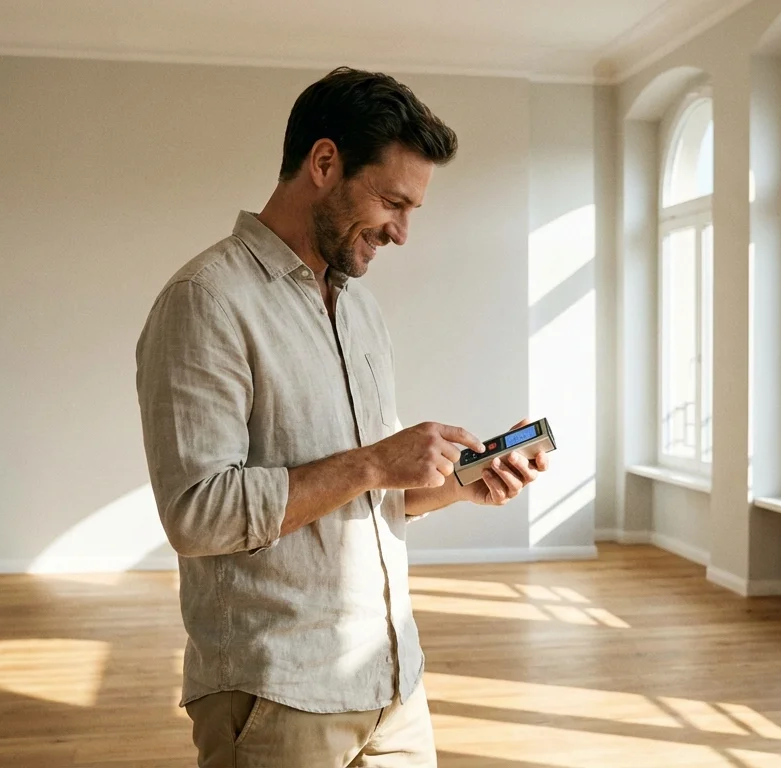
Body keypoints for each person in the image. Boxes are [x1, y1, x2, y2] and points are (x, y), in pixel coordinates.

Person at [134, 66, 548, 768]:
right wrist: (376, 461)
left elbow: (361, 496)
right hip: (276, 696)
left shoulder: (357, 306)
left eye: (413, 208)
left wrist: (458, 485)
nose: (404, 231)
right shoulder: (206, 299)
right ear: (325, 163)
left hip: (393, 685)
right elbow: (196, 515)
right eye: (393, 201)